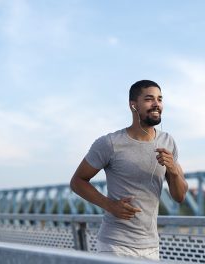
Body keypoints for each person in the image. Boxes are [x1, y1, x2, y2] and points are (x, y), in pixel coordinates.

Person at [70, 80, 188, 260]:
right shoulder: (110, 143)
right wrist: (109, 205)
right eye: (149, 99)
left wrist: (173, 170)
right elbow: (77, 182)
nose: (157, 104)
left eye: (160, 99)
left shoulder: (168, 142)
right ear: (133, 105)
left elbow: (179, 196)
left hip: (150, 247)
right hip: (114, 245)